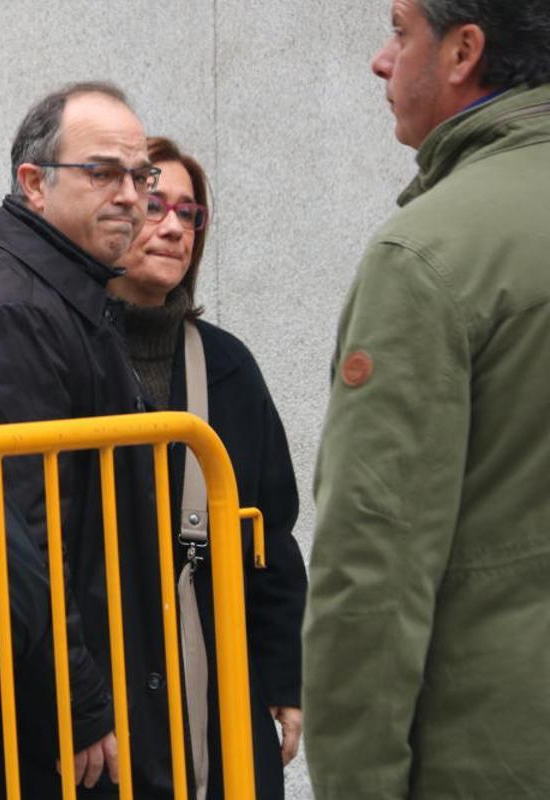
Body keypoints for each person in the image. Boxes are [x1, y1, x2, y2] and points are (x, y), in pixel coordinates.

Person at [304, 2, 550, 797]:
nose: (381, 59)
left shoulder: (426, 256)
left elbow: (372, 564)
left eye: (401, 30)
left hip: (494, 755)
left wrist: (356, 783)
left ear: (463, 51)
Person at [0, 81, 176, 797]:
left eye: (141, 176)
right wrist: (75, 699)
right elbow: (19, 536)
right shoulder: (13, 309)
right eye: (103, 173)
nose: (132, 196)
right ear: (34, 183)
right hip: (37, 720)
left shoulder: (48, 285)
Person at [110, 136, 306, 800]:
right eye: (155, 205)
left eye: (189, 213)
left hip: (216, 681)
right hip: (102, 686)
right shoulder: (63, 353)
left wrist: (284, 678)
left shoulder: (228, 366)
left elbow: (270, 532)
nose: (174, 227)